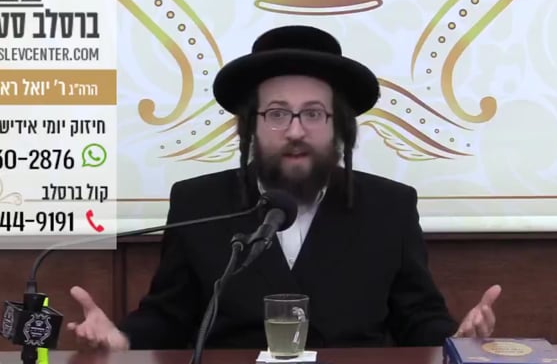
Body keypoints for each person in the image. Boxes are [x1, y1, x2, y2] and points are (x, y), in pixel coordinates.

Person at [68, 25, 502, 350]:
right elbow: (168, 315)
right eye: (277, 114)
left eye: (313, 113)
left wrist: (456, 340)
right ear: (251, 127)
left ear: (338, 127)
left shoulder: (390, 206)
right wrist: (123, 339)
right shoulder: (199, 202)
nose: (295, 131)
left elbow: (418, 318)